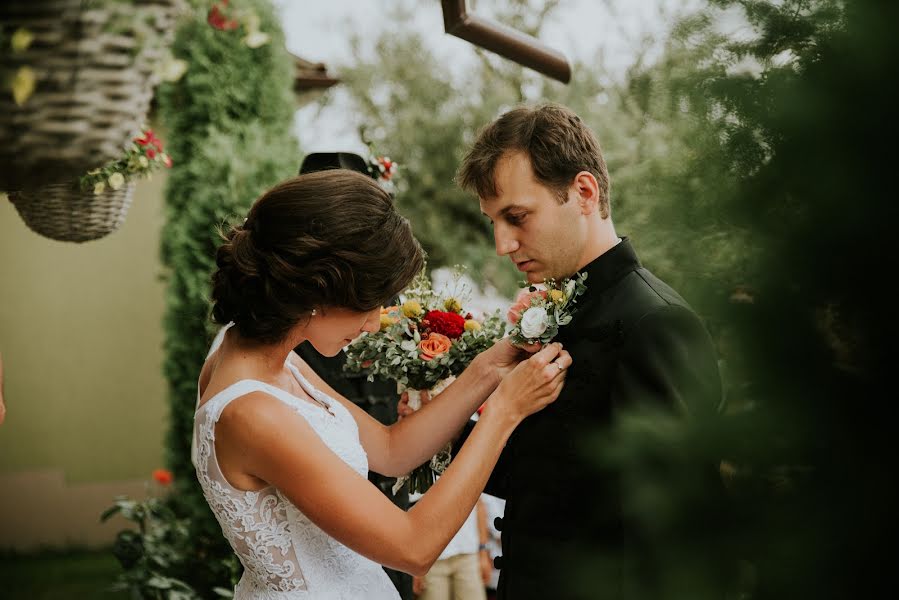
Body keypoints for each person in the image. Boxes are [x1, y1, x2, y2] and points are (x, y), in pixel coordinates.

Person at [192, 169, 572, 599]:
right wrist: (503, 413)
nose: (375, 322)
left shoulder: (261, 354)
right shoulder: (253, 413)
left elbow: (390, 452)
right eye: (370, 303)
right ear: (320, 290)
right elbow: (413, 547)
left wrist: (487, 371)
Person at [453, 103, 723, 599]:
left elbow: (677, 538)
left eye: (516, 217)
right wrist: (449, 424)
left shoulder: (656, 323)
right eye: (494, 221)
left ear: (583, 192)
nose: (502, 244)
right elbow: (548, 476)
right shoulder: (559, 312)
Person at [293, 151, 413, 599]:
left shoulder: (390, 302)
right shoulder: (284, 342)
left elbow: (391, 445)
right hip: (325, 506)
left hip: (390, 489)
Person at [410, 493, 490, 600]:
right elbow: (413, 515)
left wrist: (483, 552)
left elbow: (479, 505)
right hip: (432, 563)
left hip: (468, 556)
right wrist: (415, 567)